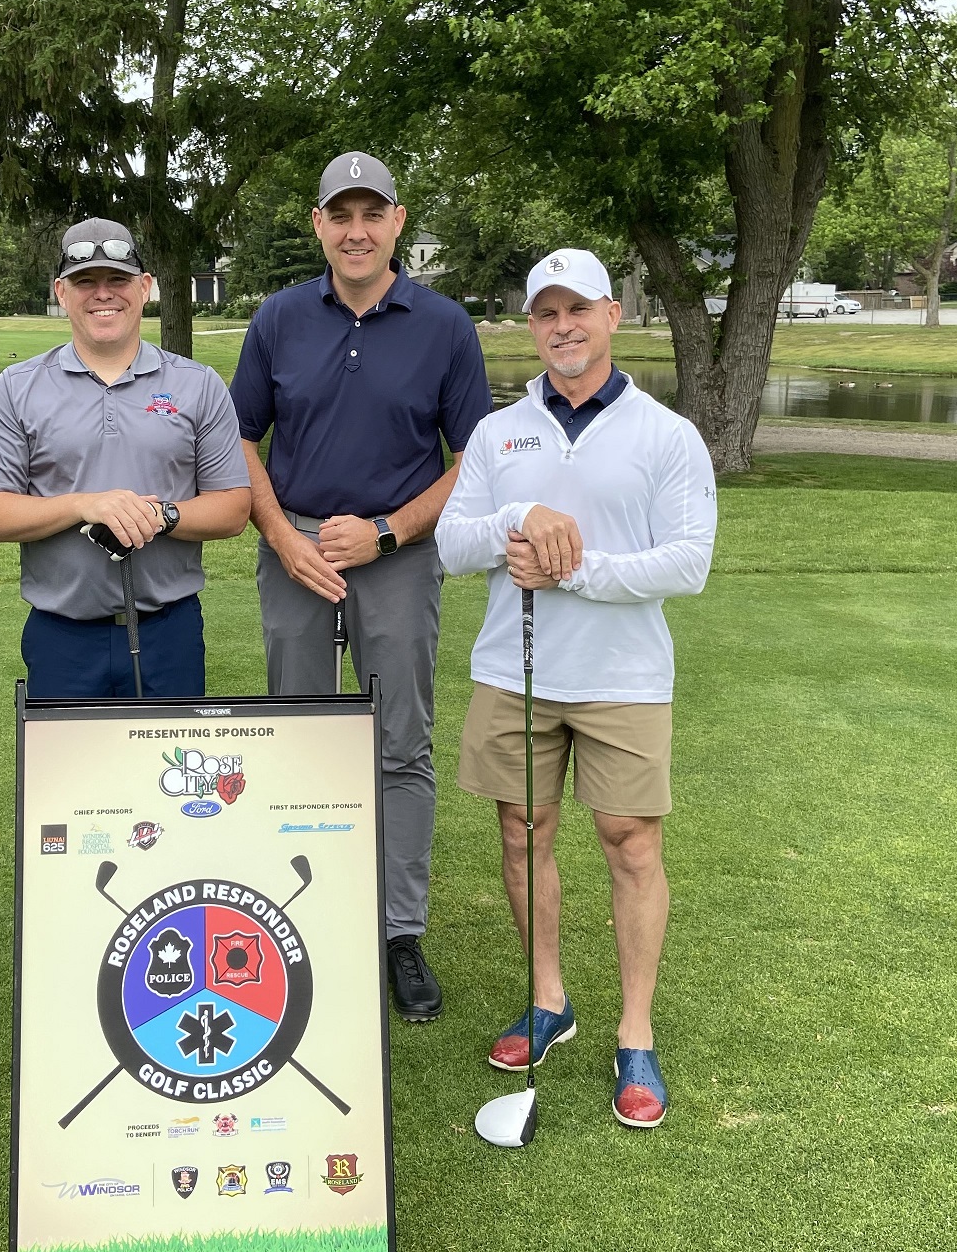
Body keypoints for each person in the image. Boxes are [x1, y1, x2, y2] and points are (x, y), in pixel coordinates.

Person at [436, 248, 717, 1127]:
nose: (563, 326)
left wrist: (574, 569)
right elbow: (451, 544)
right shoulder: (497, 432)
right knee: (523, 832)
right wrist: (520, 520)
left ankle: (636, 1032)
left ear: (612, 316)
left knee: (630, 841)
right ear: (533, 325)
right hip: (512, 668)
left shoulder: (666, 434)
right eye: (546, 312)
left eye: (579, 310)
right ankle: (549, 998)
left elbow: (689, 562)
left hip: (624, 675)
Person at [229, 153, 492, 1021]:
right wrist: (282, 534)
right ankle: (293, 916)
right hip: (295, 547)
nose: (355, 230)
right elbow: (241, 444)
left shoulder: (445, 325)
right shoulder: (277, 318)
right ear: (318, 225)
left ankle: (397, 931)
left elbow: (473, 462)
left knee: (398, 747)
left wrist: (385, 531)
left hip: (398, 552)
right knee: (296, 739)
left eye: (370, 213)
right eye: (339, 214)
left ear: (397, 221)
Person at [0, 219, 250, 697]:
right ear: (61, 291)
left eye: (117, 280)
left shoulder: (198, 385)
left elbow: (234, 507)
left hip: (170, 632)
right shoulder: (16, 388)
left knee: (169, 773)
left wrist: (159, 516)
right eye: (84, 282)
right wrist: (84, 505)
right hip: (62, 637)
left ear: (145, 288)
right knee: (66, 774)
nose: (103, 294)